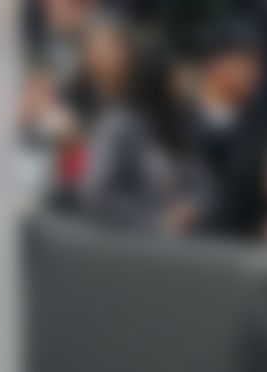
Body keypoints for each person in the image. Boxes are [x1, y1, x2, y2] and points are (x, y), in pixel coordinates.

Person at [79, 24, 209, 234]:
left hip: (179, 247)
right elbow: (97, 195)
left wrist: (191, 208)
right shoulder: (119, 125)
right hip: (130, 247)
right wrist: (154, 221)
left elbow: (203, 185)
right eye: (177, 73)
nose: (186, 81)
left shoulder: (178, 125)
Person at [187, 21, 267, 241]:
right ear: (215, 65)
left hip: (242, 244)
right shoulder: (179, 119)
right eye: (245, 63)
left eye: (257, 64)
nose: (255, 73)